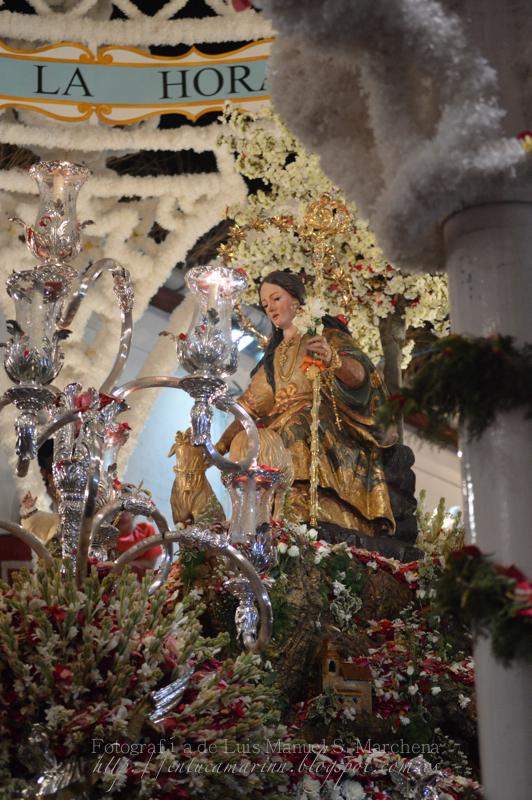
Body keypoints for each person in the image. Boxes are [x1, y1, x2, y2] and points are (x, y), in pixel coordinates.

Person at [217, 270, 395, 536]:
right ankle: (252, 515)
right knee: (248, 440)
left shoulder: (325, 336)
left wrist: (332, 359)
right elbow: (251, 407)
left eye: (276, 298)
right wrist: (217, 446)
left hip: (319, 421)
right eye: (265, 305)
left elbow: (361, 377)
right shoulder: (274, 356)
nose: (271, 308)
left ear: (296, 300)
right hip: (278, 422)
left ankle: (298, 506)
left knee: (296, 425)